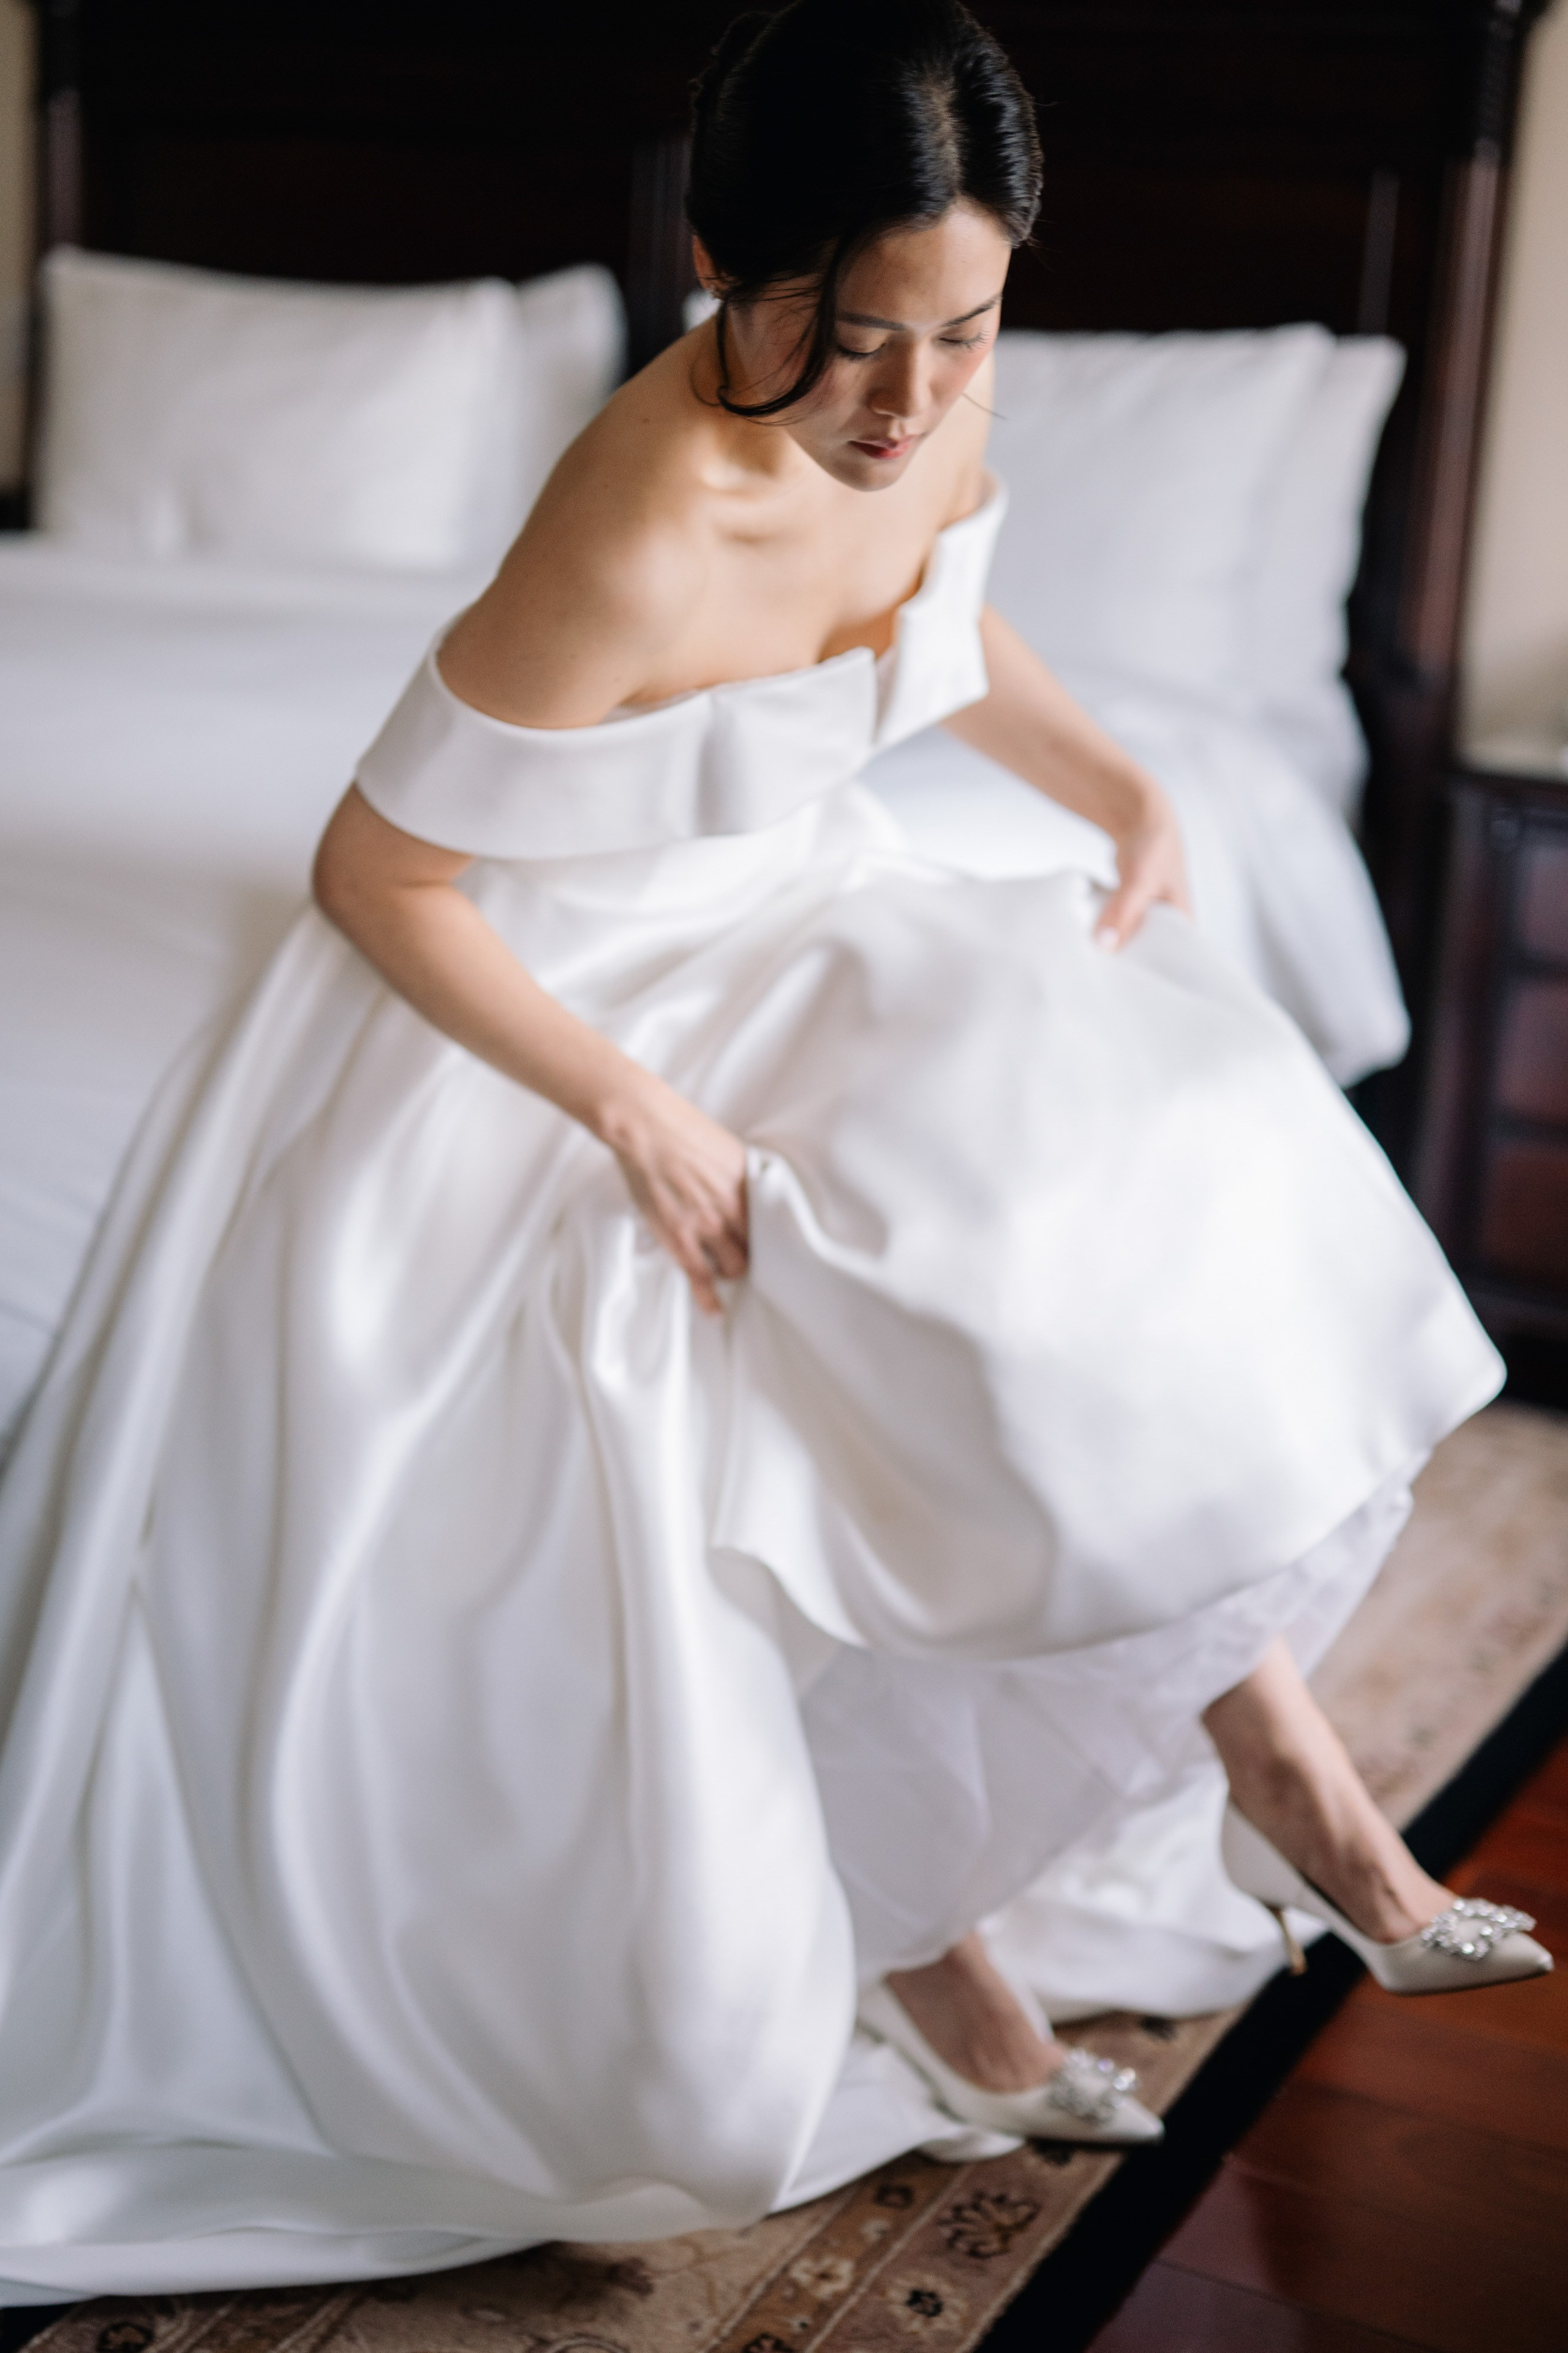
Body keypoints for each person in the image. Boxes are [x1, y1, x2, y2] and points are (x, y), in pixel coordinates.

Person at [0, 0, 1544, 2305]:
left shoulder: (932, 380)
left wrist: (1120, 782)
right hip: (574, 981)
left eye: (968, 329)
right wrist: (627, 1104)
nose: (912, 398)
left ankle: (1287, 1797)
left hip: (797, 908)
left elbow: (940, 604)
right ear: (725, 263)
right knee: (849, 1265)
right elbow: (378, 872)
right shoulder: (637, 510)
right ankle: (1022, 1929)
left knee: (1134, 1118)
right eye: (852, 341)